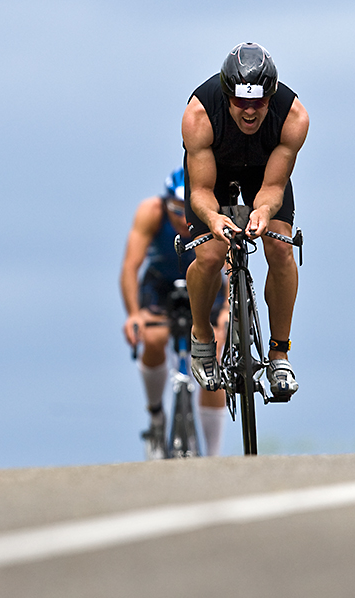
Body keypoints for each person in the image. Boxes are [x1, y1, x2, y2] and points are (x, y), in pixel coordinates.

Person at [181, 42, 309, 399]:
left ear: (271, 96)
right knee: (208, 255)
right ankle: (203, 337)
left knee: (281, 248)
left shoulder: (294, 117)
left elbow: (272, 186)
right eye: (241, 103)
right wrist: (213, 219)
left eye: (259, 103)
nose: (251, 112)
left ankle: (279, 354)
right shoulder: (200, 115)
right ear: (227, 95)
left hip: (263, 170)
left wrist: (263, 212)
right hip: (213, 173)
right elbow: (201, 191)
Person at [121, 168, 228, 458]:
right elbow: (130, 266)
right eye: (176, 210)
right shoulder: (151, 212)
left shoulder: (214, 214)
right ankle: (156, 417)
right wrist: (134, 314)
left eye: (189, 211)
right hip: (161, 283)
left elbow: (231, 266)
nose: (183, 219)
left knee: (214, 358)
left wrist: (227, 313)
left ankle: (214, 453)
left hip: (207, 282)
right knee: (154, 338)